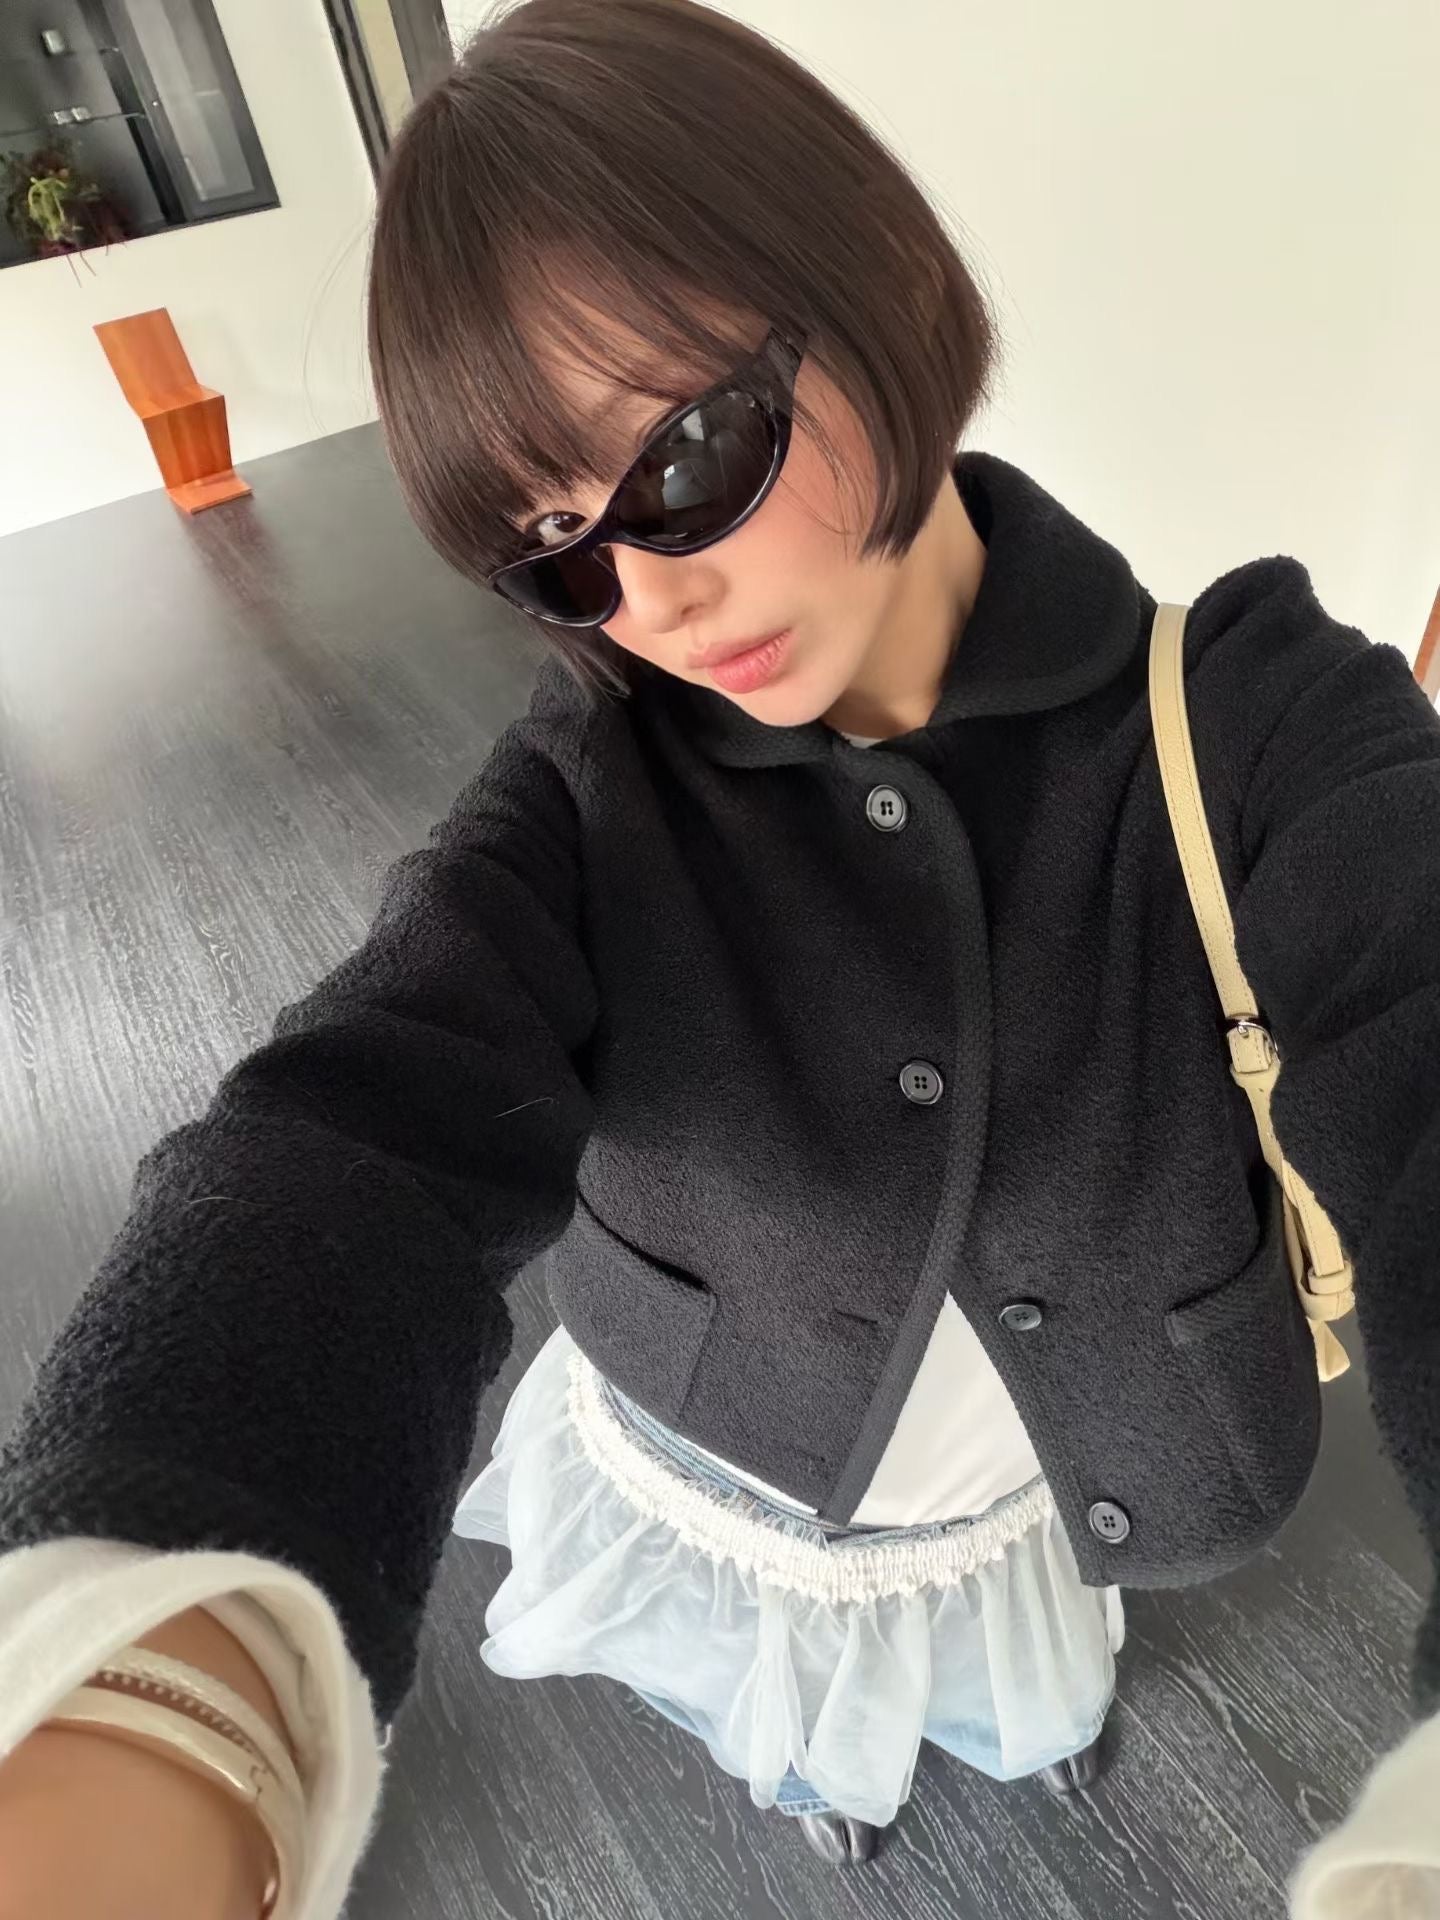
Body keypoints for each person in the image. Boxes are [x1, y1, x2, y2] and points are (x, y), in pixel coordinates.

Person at [2, 0, 1439, 1914]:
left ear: (887, 282)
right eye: (553, 546)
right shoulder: (590, 786)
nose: (651, 596)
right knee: (808, 1695)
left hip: (1045, 1451)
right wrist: (137, 1699)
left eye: (687, 454)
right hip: (738, 1448)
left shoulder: (1260, 714)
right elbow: (352, 1137)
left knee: (1012, 1655)